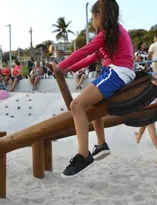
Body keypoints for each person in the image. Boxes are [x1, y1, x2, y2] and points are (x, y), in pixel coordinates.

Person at [51, 0, 135, 177]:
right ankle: (101, 144)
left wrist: (60, 66)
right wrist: (67, 69)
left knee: (76, 105)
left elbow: (83, 50)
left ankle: (83, 155)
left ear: (99, 16)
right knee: (92, 107)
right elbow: (90, 58)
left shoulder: (107, 34)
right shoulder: (114, 35)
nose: (92, 22)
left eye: (92, 17)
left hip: (116, 72)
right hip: (117, 71)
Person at [134, 77, 157, 164]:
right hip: (153, 110)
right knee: (145, 122)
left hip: (149, 110)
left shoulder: (148, 91)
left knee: (152, 132)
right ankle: (138, 137)